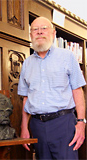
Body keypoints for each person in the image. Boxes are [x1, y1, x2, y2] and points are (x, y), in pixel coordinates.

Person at [18, 17, 86, 160]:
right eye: (35, 29)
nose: (39, 32)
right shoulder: (27, 63)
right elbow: (25, 98)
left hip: (63, 123)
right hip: (37, 125)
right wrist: (24, 128)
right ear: (30, 35)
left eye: (44, 28)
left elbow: (77, 91)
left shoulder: (67, 56)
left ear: (53, 33)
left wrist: (81, 123)